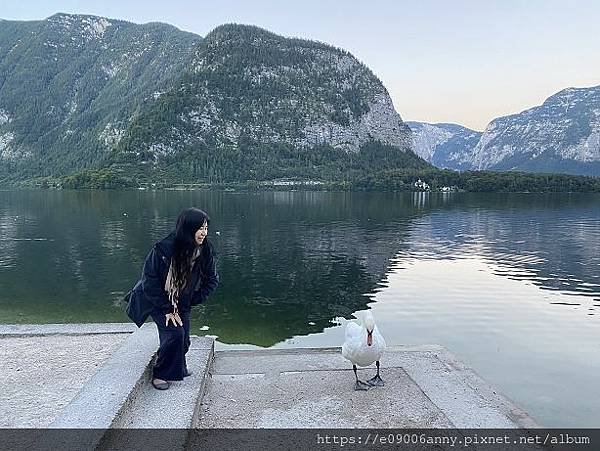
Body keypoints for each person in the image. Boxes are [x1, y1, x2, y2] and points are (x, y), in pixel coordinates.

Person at [125, 208, 219, 390]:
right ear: (188, 228)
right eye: (200, 228)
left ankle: (179, 367)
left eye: (206, 228)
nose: (204, 233)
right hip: (157, 299)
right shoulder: (162, 249)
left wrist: (194, 298)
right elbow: (149, 281)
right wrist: (167, 308)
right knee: (175, 335)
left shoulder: (204, 250)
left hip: (182, 300)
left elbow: (212, 279)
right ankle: (160, 374)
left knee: (184, 340)